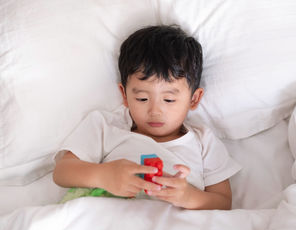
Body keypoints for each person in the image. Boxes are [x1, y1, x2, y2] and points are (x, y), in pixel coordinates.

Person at [53, 25, 241, 210]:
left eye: (169, 99)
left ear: (194, 98)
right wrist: (103, 175)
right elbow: (62, 172)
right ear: (124, 95)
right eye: (142, 98)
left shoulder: (204, 141)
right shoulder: (106, 125)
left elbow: (223, 202)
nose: (155, 111)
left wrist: (189, 197)